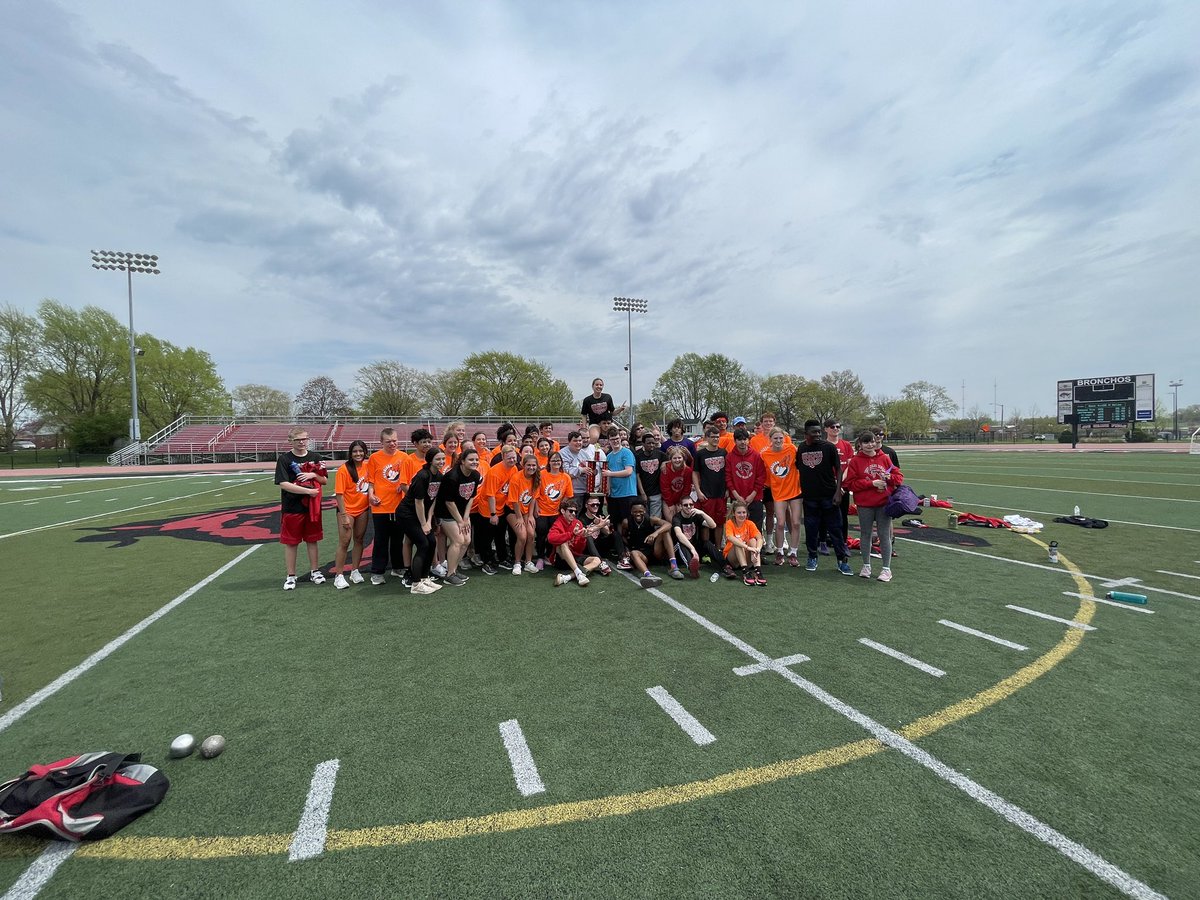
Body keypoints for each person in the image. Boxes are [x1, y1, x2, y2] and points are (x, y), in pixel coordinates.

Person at [843, 433, 903, 582]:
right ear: (860, 445)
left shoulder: (885, 458)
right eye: (866, 442)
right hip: (864, 504)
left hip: (883, 503)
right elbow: (850, 484)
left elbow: (899, 477)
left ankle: (886, 569)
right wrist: (871, 483)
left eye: (872, 442)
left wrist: (889, 478)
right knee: (865, 535)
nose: (870, 445)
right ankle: (866, 565)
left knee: (884, 535)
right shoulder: (855, 461)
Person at [275, 427, 328, 591]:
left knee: (312, 540)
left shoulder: (315, 457)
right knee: (291, 542)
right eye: (298, 440)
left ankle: (315, 571)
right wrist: (307, 491)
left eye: (304, 439)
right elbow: (283, 484)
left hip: (312, 508)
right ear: (291, 440)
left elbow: (324, 479)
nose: (302, 442)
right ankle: (291, 575)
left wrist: (313, 476)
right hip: (292, 507)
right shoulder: (284, 459)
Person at [797, 420, 852, 575]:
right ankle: (812, 556)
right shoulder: (801, 448)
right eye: (814, 432)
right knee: (811, 529)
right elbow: (799, 468)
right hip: (810, 497)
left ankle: (842, 560)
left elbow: (839, 469)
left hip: (829, 495)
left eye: (819, 432)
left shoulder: (828, 447)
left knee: (836, 529)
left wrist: (837, 491)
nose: (817, 435)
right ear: (806, 433)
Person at [396, 447, 445, 595]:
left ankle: (425, 578)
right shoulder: (422, 476)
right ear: (430, 460)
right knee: (423, 544)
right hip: (407, 514)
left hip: (422, 515)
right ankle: (416, 584)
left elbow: (432, 501)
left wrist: (429, 520)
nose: (441, 461)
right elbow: (419, 502)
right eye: (438, 459)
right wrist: (424, 523)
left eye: (443, 459)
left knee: (432, 542)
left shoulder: (439, 476)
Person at [434, 447, 483, 587]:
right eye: (471, 459)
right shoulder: (452, 476)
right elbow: (449, 502)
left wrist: (466, 517)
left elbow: (471, 498)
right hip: (446, 513)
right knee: (458, 540)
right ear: (462, 461)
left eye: (476, 459)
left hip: (461, 513)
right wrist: (460, 521)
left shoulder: (475, 475)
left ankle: (453, 570)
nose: (474, 462)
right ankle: (449, 575)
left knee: (467, 541)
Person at [364, 427, 406, 585]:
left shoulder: (403, 457)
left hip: (399, 506)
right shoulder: (375, 458)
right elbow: (371, 481)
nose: (392, 444)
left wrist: (402, 485)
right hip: (380, 506)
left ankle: (398, 567)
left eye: (395, 440)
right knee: (381, 540)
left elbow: (407, 478)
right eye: (388, 441)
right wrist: (371, 495)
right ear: (381, 442)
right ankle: (377, 571)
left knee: (398, 540)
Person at [759, 427, 802, 567]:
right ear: (770, 440)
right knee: (781, 523)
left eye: (780, 438)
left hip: (795, 491)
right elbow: (761, 471)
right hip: (778, 492)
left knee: (795, 523)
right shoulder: (764, 454)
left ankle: (794, 552)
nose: (778, 440)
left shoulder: (791, 449)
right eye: (775, 438)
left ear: (784, 438)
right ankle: (779, 551)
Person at [333, 439, 370, 589]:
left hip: (363, 509)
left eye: (361, 451)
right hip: (347, 510)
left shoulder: (368, 466)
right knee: (344, 542)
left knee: (359, 539)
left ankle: (355, 570)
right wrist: (343, 515)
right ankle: (339, 575)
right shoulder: (344, 469)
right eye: (355, 451)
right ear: (350, 453)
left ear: (365, 452)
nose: (358, 454)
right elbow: (339, 494)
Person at [600, 425, 638, 569]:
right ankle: (621, 549)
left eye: (617, 438)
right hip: (614, 495)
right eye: (612, 439)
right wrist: (607, 488)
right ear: (608, 441)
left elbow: (628, 471)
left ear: (621, 438)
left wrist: (610, 474)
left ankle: (630, 550)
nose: (615, 441)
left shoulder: (627, 453)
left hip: (627, 493)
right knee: (615, 523)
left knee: (627, 523)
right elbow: (607, 475)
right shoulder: (609, 456)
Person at [478, 445, 520, 575]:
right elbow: (490, 495)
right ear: (503, 457)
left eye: (514, 457)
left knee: (500, 535)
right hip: (488, 509)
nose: (512, 460)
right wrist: (493, 514)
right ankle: (487, 562)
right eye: (509, 458)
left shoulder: (514, 468)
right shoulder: (494, 472)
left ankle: (502, 558)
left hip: (501, 507)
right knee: (487, 537)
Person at [547, 498, 604, 587]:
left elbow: (579, 549)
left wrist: (582, 538)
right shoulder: (558, 523)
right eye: (570, 511)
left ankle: (569, 576)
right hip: (561, 559)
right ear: (563, 511)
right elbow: (551, 538)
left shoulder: (578, 523)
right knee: (562, 544)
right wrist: (571, 534)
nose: (573, 514)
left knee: (597, 560)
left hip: (574, 556)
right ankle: (578, 573)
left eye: (575, 512)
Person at [621, 501, 676, 587]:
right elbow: (623, 536)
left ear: (645, 511)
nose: (638, 514)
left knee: (665, 532)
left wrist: (655, 533)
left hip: (654, 550)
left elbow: (668, 524)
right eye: (635, 512)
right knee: (634, 553)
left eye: (640, 511)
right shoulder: (626, 522)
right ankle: (648, 576)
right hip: (641, 555)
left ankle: (674, 566)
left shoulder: (651, 519)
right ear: (631, 512)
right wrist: (627, 549)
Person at [820, 419, 854, 555]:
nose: (835, 429)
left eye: (838, 426)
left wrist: (839, 483)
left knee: (843, 516)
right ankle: (822, 542)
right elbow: (821, 467)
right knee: (824, 514)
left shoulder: (846, 445)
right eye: (832, 427)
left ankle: (843, 543)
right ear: (826, 429)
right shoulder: (822, 445)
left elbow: (849, 466)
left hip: (843, 486)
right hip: (827, 485)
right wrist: (833, 484)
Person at [535, 451, 574, 569]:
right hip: (542, 510)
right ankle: (540, 557)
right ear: (549, 462)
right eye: (553, 460)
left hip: (556, 512)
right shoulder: (542, 474)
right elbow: (535, 493)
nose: (556, 462)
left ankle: (549, 555)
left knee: (554, 536)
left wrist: (561, 505)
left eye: (558, 460)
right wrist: (536, 508)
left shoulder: (565, 477)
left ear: (561, 462)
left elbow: (568, 494)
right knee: (541, 534)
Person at [506, 453, 542, 574]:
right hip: (513, 510)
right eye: (528, 465)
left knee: (531, 534)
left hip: (526, 510)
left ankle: (528, 562)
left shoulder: (536, 478)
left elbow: (533, 498)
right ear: (523, 465)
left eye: (533, 465)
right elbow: (514, 500)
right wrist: (520, 517)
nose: (531, 468)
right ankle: (517, 563)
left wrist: (530, 515)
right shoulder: (516, 478)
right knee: (522, 535)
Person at [725, 427, 766, 531]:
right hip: (737, 498)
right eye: (739, 439)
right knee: (738, 527)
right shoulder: (729, 457)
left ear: (748, 440)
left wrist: (752, 495)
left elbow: (761, 477)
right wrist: (737, 496)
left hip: (755, 498)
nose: (742, 442)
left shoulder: (757, 456)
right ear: (735, 441)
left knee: (756, 528)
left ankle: (756, 547)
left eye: (745, 439)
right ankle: (739, 547)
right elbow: (728, 478)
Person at [692, 425, 729, 538]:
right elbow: (695, 473)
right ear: (707, 438)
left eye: (717, 437)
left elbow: (728, 472)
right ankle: (707, 551)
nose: (716, 439)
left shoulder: (724, 452)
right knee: (706, 523)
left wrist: (727, 489)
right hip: (706, 493)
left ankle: (717, 549)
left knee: (720, 523)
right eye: (713, 437)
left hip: (721, 493)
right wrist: (698, 491)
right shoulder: (700, 454)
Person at [672, 496, 719, 578]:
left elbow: (713, 525)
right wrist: (692, 548)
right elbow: (679, 535)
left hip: (694, 547)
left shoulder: (696, 515)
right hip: (680, 549)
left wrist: (702, 513)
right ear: (680, 506)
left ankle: (725, 566)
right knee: (681, 544)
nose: (689, 507)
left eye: (691, 504)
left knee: (706, 543)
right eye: (685, 505)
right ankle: (692, 569)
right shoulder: (676, 517)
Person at [724, 500, 765, 585]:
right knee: (738, 542)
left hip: (747, 557)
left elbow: (759, 538)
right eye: (739, 513)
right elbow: (730, 537)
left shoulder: (750, 523)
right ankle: (745, 572)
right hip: (733, 559)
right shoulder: (730, 523)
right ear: (734, 513)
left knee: (753, 540)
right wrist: (747, 547)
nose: (742, 515)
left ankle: (758, 571)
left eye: (744, 512)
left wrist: (757, 549)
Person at [634, 432, 667, 518]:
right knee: (644, 518)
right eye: (649, 443)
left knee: (655, 519)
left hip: (656, 493)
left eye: (653, 443)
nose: (651, 445)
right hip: (643, 493)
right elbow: (637, 476)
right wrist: (642, 493)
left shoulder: (659, 454)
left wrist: (664, 463)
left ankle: (656, 532)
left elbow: (671, 458)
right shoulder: (638, 456)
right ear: (643, 444)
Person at [659, 445, 694, 523]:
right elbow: (665, 488)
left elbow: (687, 488)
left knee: (682, 520)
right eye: (674, 458)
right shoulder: (665, 469)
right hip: (668, 499)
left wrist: (680, 503)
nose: (677, 460)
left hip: (681, 499)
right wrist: (670, 504)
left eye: (679, 458)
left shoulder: (688, 471)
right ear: (670, 459)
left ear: (683, 459)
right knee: (671, 521)